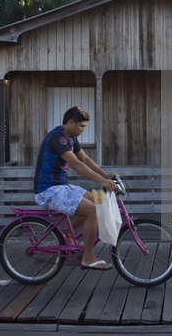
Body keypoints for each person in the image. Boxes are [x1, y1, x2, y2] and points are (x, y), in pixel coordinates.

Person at [33, 106, 118, 271]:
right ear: (70, 122)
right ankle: (88, 257)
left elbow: (84, 159)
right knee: (93, 211)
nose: (83, 130)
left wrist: (105, 176)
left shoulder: (70, 137)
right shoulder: (58, 138)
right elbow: (77, 165)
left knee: (98, 202)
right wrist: (101, 181)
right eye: (81, 126)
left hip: (61, 187)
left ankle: (69, 233)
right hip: (49, 191)